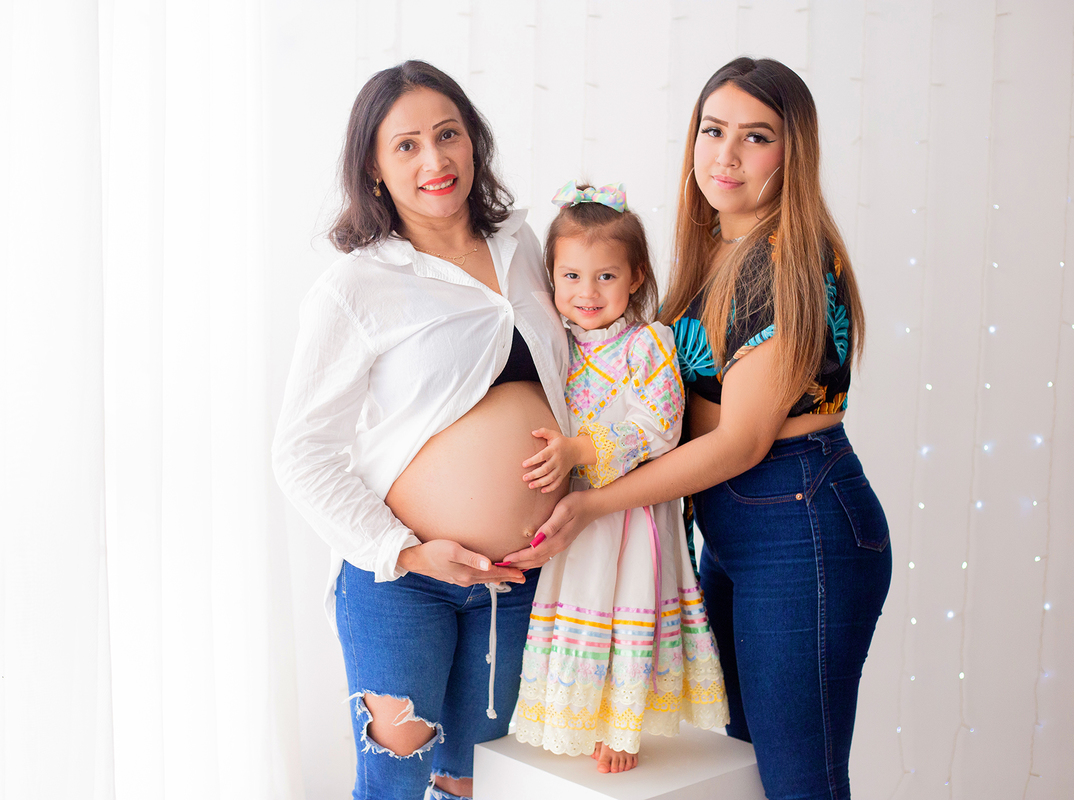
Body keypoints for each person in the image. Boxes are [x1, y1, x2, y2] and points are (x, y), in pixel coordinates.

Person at [503, 58, 893, 800]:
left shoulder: (787, 260)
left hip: (799, 516)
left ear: (793, 152)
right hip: (739, 524)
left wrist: (590, 502)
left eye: (756, 137)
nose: (726, 154)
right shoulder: (720, 251)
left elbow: (741, 441)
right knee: (748, 770)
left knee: (798, 781)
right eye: (713, 130)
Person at [272, 61, 571, 800]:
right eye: (405, 146)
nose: (434, 160)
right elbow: (300, 452)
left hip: (520, 579)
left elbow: (583, 382)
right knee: (397, 786)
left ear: (475, 144)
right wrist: (404, 552)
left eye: (448, 135)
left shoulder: (529, 250)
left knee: (481, 785)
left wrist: (582, 499)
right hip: (402, 585)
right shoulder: (357, 286)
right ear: (373, 169)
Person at [510, 181, 729, 773]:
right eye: (571, 277)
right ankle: (571, 714)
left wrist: (579, 449)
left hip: (629, 509)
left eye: (605, 276)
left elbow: (659, 425)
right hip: (575, 507)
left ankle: (622, 726)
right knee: (578, 604)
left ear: (635, 277)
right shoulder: (554, 343)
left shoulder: (646, 343)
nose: (587, 293)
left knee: (625, 604)